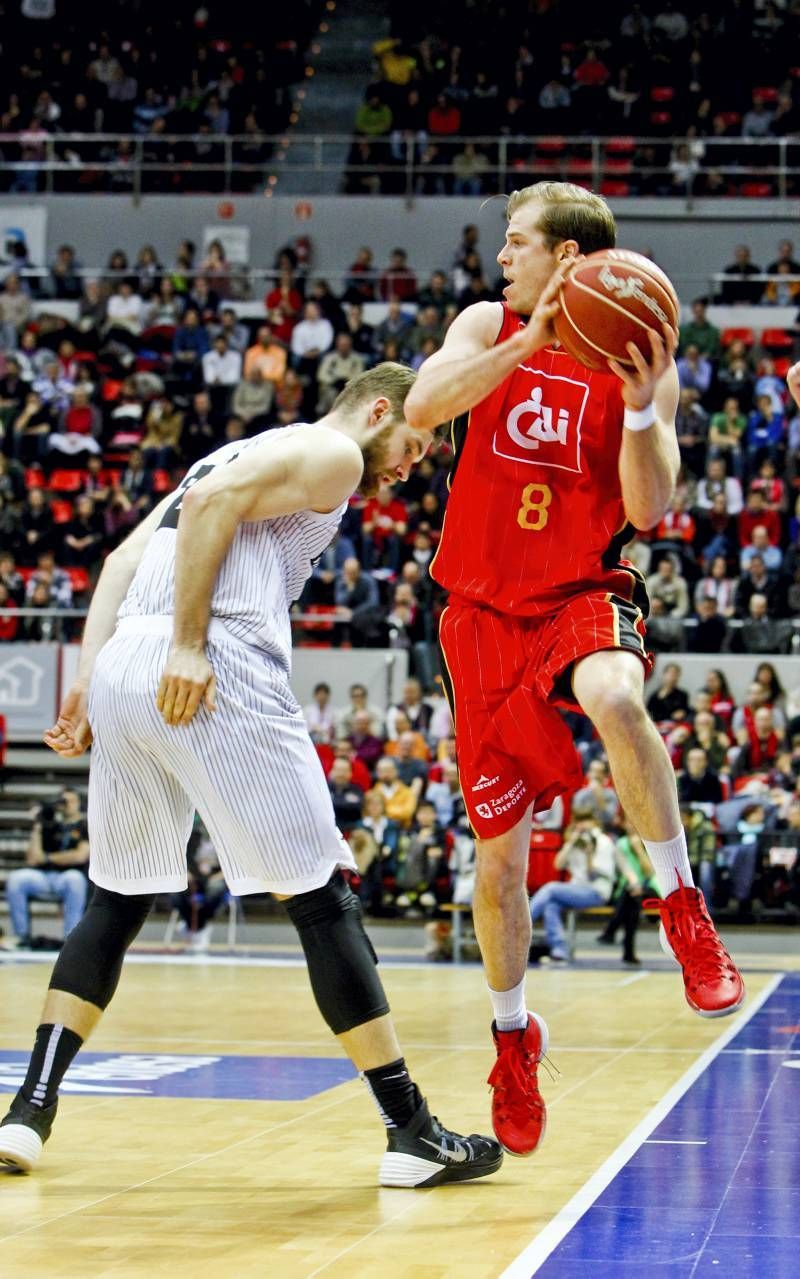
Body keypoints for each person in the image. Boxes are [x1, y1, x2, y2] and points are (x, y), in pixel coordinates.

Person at [0, 362, 502, 1189]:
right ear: (379, 409)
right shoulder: (332, 454)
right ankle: (410, 1130)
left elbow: (125, 556)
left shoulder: (236, 449)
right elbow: (210, 509)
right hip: (213, 664)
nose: (414, 466)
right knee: (322, 893)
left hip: (128, 662)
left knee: (116, 900)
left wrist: (92, 674)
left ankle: (28, 1111)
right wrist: (191, 644)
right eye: (417, 443)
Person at [404, 180, 745, 1159]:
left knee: (610, 692)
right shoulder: (484, 320)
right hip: (479, 613)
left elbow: (647, 508)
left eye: (515, 243)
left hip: (578, 591)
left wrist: (640, 408)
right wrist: (524, 341)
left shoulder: (640, 349)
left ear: (565, 255)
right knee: (500, 856)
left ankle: (680, 903)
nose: (499, 256)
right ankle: (512, 1037)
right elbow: (424, 404)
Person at [529, 808, 617, 963]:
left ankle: (522, 925)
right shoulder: (575, 841)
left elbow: (593, 875)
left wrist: (589, 854)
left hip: (596, 891)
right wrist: (570, 844)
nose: (582, 825)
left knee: (551, 888)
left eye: (586, 821)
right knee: (551, 904)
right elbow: (558, 865)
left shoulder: (604, 842)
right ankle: (559, 950)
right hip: (576, 889)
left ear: (594, 823)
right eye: (579, 822)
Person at [5, 789, 90, 949]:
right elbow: (32, 859)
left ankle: (70, 940)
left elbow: (79, 856)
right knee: (16, 879)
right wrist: (38, 825)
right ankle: (22, 937)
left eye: (70, 801)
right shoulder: (50, 825)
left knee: (75, 879)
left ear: (79, 804)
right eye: (62, 801)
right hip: (44, 876)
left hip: (68, 876)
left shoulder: (85, 825)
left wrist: (48, 858)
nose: (66, 805)